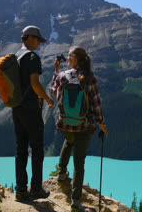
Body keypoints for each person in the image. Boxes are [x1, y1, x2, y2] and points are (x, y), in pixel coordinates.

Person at [49, 46, 108, 212]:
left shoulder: (62, 76)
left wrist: (56, 71)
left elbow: (52, 91)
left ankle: (61, 173)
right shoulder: (90, 78)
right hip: (84, 126)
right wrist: (102, 125)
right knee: (79, 163)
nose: (67, 58)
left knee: (69, 141)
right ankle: (75, 202)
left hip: (65, 124)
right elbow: (96, 105)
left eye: (69, 56)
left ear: (75, 59)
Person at [13, 25, 54, 201]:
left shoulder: (16, 56)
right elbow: (35, 83)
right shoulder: (31, 57)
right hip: (30, 108)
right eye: (37, 39)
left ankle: (21, 190)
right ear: (29, 37)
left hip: (17, 108)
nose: (39, 43)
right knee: (37, 148)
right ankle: (36, 188)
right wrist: (47, 98)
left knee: (21, 148)